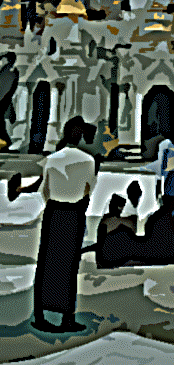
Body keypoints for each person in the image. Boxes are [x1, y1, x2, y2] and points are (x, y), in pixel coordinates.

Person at [31, 116, 97, 333]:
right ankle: (66, 318)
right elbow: (89, 189)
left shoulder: (52, 159)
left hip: (53, 212)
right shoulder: (88, 160)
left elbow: (45, 191)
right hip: (74, 213)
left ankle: (39, 314)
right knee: (68, 266)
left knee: (46, 262)